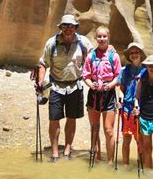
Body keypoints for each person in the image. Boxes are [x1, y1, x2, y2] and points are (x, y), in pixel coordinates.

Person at [37, 14, 92, 162]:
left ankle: (67, 150)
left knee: (71, 118)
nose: (68, 29)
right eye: (65, 26)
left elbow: (93, 58)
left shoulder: (83, 42)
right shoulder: (52, 43)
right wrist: (41, 81)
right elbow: (43, 63)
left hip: (76, 85)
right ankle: (55, 153)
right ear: (60, 27)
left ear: (75, 28)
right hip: (56, 86)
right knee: (54, 119)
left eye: (71, 26)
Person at [82, 25, 121, 165]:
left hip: (109, 94)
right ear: (96, 38)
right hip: (94, 93)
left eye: (104, 36)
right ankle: (96, 156)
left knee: (108, 130)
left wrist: (110, 85)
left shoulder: (114, 56)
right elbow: (85, 75)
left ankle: (110, 161)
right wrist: (90, 84)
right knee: (94, 127)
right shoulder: (91, 56)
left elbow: (118, 76)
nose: (102, 39)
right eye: (99, 36)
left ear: (108, 37)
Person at [118, 42, 146, 165]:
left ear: (141, 54)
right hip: (126, 108)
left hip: (141, 108)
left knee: (139, 139)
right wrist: (120, 99)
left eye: (136, 52)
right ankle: (125, 165)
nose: (134, 55)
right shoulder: (125, 70)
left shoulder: (146, 70)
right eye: (132, 53)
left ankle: (142, 165)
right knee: (126, 138)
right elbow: (121, 88)